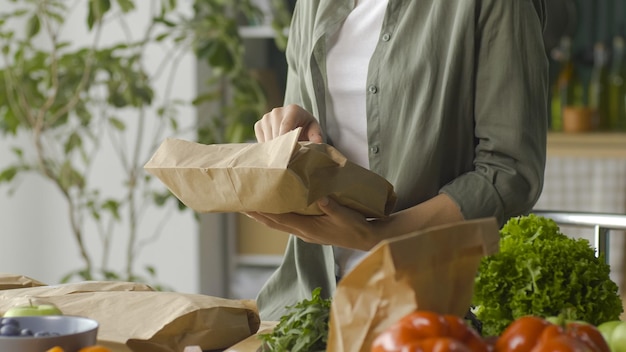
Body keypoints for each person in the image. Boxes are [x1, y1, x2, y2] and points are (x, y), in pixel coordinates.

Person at [246, 0, 549, 321]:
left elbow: (508, 173)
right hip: (308, 305)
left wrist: (377, 236)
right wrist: (289, 135)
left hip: (433, 313)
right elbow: (301, 145)